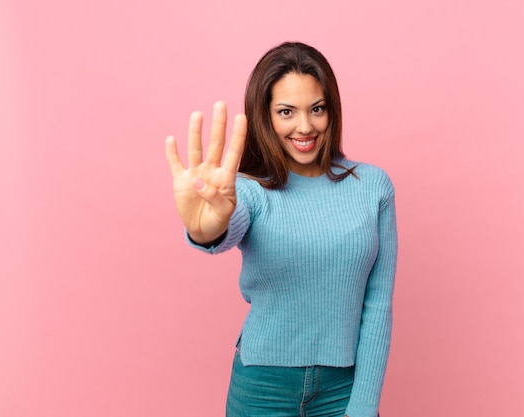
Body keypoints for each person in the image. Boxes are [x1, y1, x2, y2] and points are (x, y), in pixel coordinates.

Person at [165, 42, 397, 417]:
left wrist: (364, 406)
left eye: (316, 109)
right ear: (265, 117)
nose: (305, 127)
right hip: (261, 388)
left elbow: (378, 304)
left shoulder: (373, 188)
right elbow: (226, 227)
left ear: (331, 111)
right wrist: (206, 230)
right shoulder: (248, 191)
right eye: (286, 112)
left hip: (345, 390)